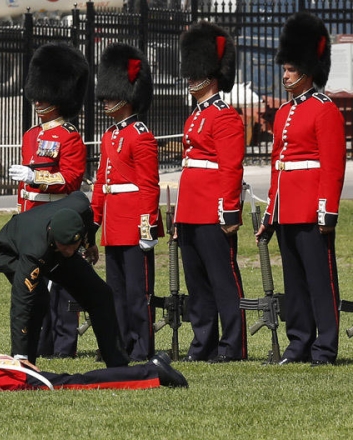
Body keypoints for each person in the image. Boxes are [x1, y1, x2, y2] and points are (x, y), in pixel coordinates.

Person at [259, 12, 346, 367]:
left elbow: (332, 167)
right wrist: (271, 212)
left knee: (320, 280)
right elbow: (278, 166)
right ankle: (299, 343)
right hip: (287, 208)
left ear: (308, 70)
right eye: (285, 68)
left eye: (291, 68)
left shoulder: (325, 111)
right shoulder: (283, 113)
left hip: (312, 207)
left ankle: (324, 347)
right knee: (293, 282)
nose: (285, 74)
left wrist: (327, 210)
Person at [8, 42, 88, 359]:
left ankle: (64, 345)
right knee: (34, 288)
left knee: (63, 287)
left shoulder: (69, 136)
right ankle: (40, 344)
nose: (39, 99)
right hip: (30, 221)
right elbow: (23, 189)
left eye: (45, 93)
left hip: (55, 221)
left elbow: (70, 179)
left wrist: (35, 177)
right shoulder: (31, 134)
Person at [0, 191, 130, 368]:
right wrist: (20, 354)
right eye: (66, 246)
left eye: (74, 246)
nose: (71, 251)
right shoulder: (34, 251)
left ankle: (117, 364)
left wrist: (89, 243)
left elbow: (85, 215)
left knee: (101, 294)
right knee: (37, 299)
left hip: (56, 253)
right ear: (52, 234)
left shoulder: (80, 209)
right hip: (12, 253)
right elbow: (21, 303)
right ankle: (24, 363)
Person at [175, 21, 247, 363]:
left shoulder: (225, 116)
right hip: (191, 209)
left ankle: (233, 345)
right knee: (198, 285)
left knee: (223, 281)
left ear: (212, 74)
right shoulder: (195, 117)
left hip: (213, 210)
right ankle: (203, 344)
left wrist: (229, 210)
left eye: (196, 71)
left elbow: (231, 169)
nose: (190, 78)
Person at [91, 43, 161, 361]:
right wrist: (93, 222)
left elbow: (148, 185)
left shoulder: (141, 135)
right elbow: (102, 184)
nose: (105, 99)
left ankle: (142, 346)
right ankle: (120, 344)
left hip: (134, 222)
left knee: (137, 293)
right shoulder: (109, 136)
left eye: (111, 93)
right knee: (115, 293)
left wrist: (148, 227)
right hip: (114, 223)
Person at [0, 335, 187, 393]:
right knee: (73, 379)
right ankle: (152, 368)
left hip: (2, 377)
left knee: (77, 383)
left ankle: (151, 372)